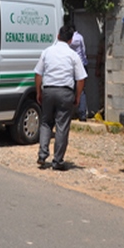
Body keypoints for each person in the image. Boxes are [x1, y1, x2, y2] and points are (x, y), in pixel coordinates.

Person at [35, 25, 88, 171]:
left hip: (48, 90)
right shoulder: (73, 55)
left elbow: (38, 74)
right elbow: (81, 78)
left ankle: (42, 154)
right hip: (65, 92)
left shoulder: (47, 52)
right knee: (62, 126)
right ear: (70, 40)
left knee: (45, 122)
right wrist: (77, 96)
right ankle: (57, 161)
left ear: (58, 36)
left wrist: (39, 92)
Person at [69, 27, 89, 121]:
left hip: (72, 66)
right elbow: (83, 50)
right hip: (82, 65)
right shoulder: (80, 37)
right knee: (81, 90)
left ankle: (70, 113)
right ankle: (82, 115)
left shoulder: (69, 39)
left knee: (70, 89)